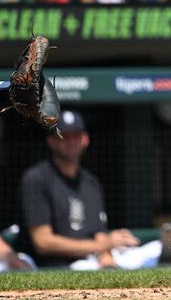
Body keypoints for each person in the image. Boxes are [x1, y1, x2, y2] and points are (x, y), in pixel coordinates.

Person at [16, 110, 141, 268]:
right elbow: (43, 243)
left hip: (91, 260)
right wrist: (104, 246)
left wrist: (106, 253)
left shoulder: (91, 182)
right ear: (51, 140)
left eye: (76, 136)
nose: (71, 141)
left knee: (154, 250)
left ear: (85, 139)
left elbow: (99, 234)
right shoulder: (37, 179)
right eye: (64, 136)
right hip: (52, 265)